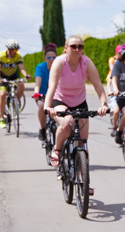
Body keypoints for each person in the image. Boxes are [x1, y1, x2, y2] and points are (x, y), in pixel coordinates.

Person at [44, 35, 109, 171]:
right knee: (68, 122)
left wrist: (104, 104)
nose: (77, 49)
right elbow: (52, 86)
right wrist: (48, 107)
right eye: (73, 46)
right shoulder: (60, 62)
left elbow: (98, 85)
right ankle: (57, 150)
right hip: (60, 100)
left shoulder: (86, 62)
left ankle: (83, 181)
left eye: (80, 46)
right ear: (66, 48)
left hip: (79, 102)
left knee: (83, 143)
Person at [0, 39, 28, 128]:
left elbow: (21, 67)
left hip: (13, 75)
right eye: (14, 50)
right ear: (8, 49)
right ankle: (2, 119)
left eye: (16, 50)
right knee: (2, 94)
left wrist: (26, 75)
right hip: (2, 76)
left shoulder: (17, 56)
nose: (15, 52)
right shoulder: (1, 55)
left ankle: (16, 102)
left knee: (21, 84)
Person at [33, 43, 58, 142]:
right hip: (43, 95)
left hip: (56, 95)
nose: (51, 59)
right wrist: (36, 93)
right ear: (45, 59)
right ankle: (42, 129)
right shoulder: (40, 67)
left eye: (54, 57)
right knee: (41, 106)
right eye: (48, 57)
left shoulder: (61, 67)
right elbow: (38, 82)